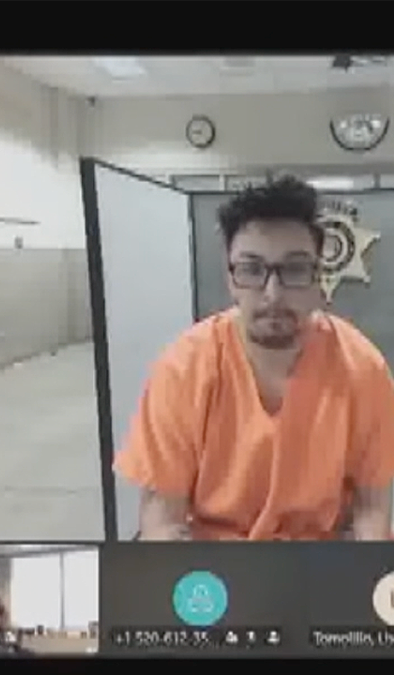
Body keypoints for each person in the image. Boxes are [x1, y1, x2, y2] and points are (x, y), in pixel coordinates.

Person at [115, 176, 394, 541]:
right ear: (231, 278)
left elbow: (373, 508)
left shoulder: (362, 368)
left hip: (321, 561)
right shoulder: (183, 369)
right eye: (251, 269)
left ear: (317, 277)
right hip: (215, 567)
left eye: (294, 269)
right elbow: (162, 519)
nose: (272, 294)